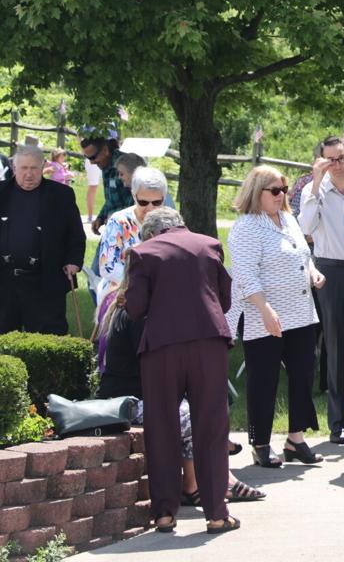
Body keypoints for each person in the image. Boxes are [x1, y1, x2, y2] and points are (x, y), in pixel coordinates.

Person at [123, 208, 240, 534]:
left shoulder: (142, 253)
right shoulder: (209, 245)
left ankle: (164, 514)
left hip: (162, 348)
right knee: (212, 428)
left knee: (161, 428)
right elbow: (225, 300)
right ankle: (217, 513)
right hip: (208, 343)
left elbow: (135, 308)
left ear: (150, 234)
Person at [97, 282, 265, 506]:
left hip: (144, 394)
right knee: (189, 415)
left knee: (206, 400)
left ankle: (206, 480)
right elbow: (155, 367)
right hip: (125, 402)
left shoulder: (142, 309)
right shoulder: (136, 315)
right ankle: (204, 482)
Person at [229, 165, 325, 468]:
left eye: (283, 188)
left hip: (301, 312)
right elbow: (245, 274)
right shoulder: (246, 227)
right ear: (256, 193)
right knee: (263, 379)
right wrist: (265, 309)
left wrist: (312, 271)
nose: (281, 194)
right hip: (264, 316)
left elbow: (302, 254)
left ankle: (295, 439)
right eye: (274, 190)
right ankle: (260, 442)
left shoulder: (287, 219)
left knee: (302, 373)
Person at [298, 135, 344, 446]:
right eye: (329, 160)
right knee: (335, 348)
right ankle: (336, 422)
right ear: (320, 161)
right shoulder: (312, 192)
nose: (337, 165)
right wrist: (316, 184)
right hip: (330, 271)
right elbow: (305, 227)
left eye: (340, 158)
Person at [0, 145, 85, 334]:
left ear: (43, 167)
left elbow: (75, 234)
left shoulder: (61, 195)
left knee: (48, 336)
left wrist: (73, 261)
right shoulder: (2, 192)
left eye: (34, 168)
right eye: (24, 168)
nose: (28, 174)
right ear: (14, 168)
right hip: (5, 281)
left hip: (45, 280)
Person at [95, 166, 169, 355]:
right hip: (120, 288)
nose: (150, 208)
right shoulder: (118, 221)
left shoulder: (171, 223)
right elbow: (107, 266)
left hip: (160, 288)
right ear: (133, 195)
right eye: (143, 202)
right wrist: (140, 287)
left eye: (157, 202)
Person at [80, 136, 132, 234]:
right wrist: (101, 217)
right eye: (87, 158)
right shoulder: (105, 164)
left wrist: (117, 220)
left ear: (105, 150)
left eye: (93, 157)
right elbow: (111, 199)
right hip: (114, 225)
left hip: (127, 228)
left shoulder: (125, 165)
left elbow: (135, 202)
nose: (91, 162)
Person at [83, 156, 101, 223]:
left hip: (99, 158)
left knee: (94, 188)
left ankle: (90, 216)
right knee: (93, 187)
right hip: (94, 158)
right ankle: (90, 217)